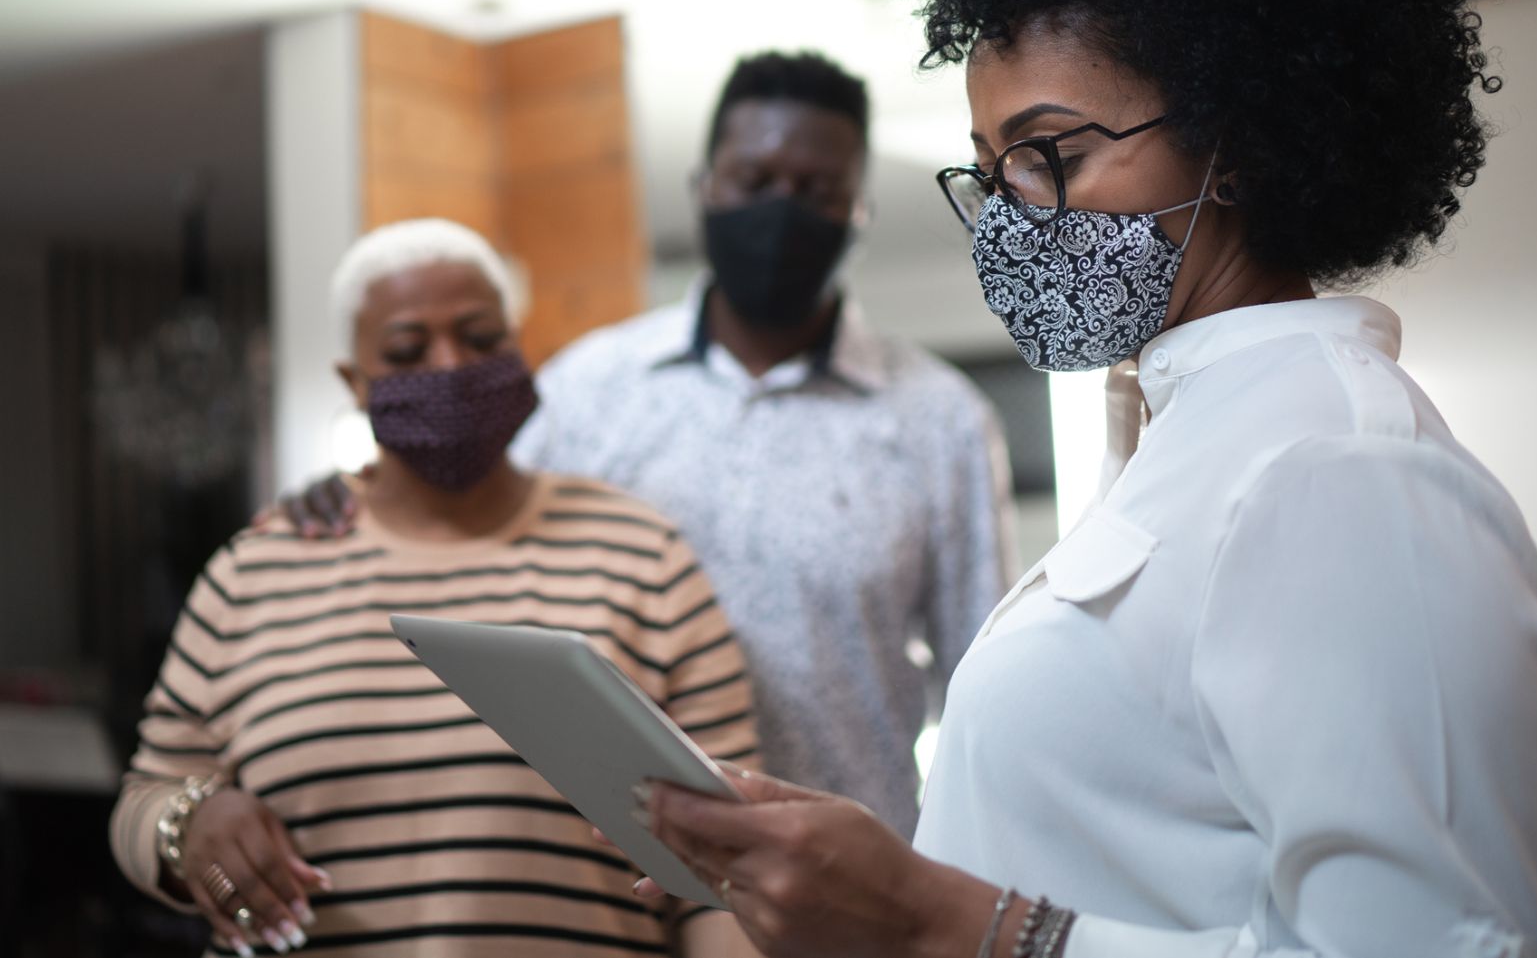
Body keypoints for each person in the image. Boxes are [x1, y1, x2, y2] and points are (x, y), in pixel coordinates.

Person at [631, 0, 1537, 958]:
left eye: (1054, 155)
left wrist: (945, 923)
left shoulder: (1341, 471)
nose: (1012, 213)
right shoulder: (1188, 440)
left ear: (1237, 140)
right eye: (992, 170)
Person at [269, 50, 1017, 839]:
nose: (781, 209)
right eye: (754, 180)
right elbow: (468, 534)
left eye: (816, 190)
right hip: (602, 867)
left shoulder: (940, 420)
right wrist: (361, 493)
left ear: (859, 208)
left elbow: (987, 693)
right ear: (705, 187)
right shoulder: (587, 388)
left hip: (841, 867)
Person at [110, 219, 761, 958]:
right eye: (406, 351)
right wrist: (188, 825)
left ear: (518, 348)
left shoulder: (644, 554)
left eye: (481, 338)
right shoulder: (252, 571)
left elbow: (731, 851)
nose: (450, 366)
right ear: (354, 382)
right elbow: (145, 795)